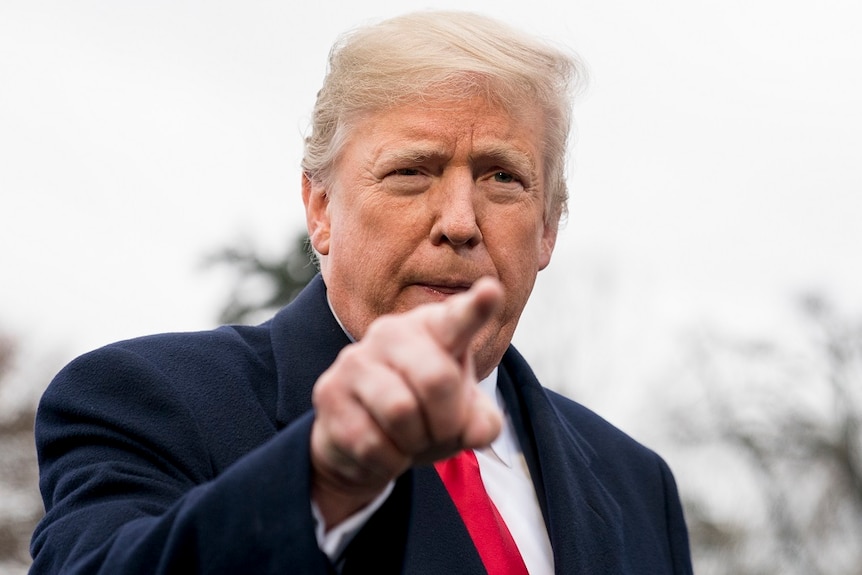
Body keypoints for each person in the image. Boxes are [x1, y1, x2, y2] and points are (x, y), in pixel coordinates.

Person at [30, 10, 693, 575]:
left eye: (502, 178)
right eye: (411, 171)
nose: (459, 221)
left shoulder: (638, 485)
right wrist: (322, 482)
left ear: (548, 227)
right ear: (320, 207)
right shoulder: (145, 402)